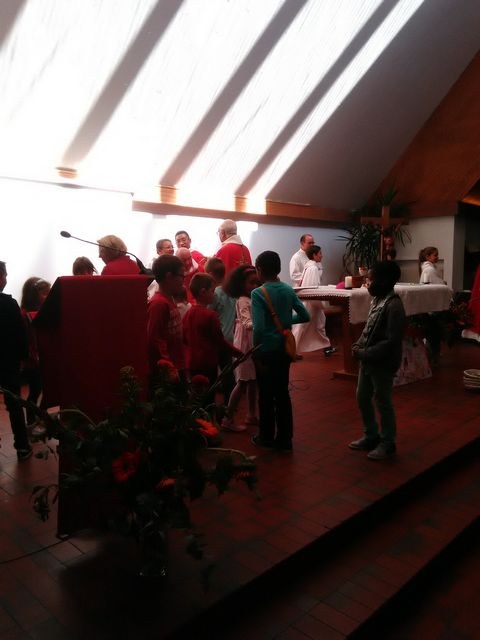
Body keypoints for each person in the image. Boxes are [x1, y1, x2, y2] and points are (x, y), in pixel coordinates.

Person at [251, 251, 310, 452]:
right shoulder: (287, 289)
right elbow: (304, 315)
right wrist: (285, 322)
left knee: (266, 395)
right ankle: (285, 440)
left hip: (266, 350)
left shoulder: (258, 293)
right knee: (282, 393)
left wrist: (255, 351)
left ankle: (266, 436)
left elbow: (258, 328)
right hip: (284, 349)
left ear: (259, 270)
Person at [349, 261, 406, 460]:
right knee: (362, 397)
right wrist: (358, 345)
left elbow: (392, 341)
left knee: (383, 401)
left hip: (382, 362)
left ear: (383, 281)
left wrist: (365, 353)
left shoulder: (394, 305)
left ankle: (388, 442)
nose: (367, 282)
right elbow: (369, 329)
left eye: (370, 279)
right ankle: (371, 435)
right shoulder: (377, 300)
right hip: (368, 359)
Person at [182, 273, 242, 386]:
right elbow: (220, 341)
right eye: (212, 291)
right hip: (207, 362)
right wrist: (237, 352)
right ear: (203, 292)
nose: (214, 294)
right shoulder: (210, 315)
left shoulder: (188, 313)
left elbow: (184, 338)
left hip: (191, 362)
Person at [0, 261, 32, 461]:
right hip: (7, 362)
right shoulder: (9, 304)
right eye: (5, 275)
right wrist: (23, 358)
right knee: (14, 404)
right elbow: (20, 335)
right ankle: (22, 446)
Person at [222, 265, 259, 432]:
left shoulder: (250, 298)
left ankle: (251, 414)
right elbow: (247, 322)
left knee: (252, 381)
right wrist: (262, 326)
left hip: (250, 340)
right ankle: (228, 418)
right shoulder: (243, 300)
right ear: (241, 284)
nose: (255, 286)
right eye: (251, 283)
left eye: (256, 282)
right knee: (243, 381)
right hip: (245, 342)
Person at [292, 245, 335, 356]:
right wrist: (319, 303)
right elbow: (312, 287)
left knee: (319, 325)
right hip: (312, 302)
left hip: (311, 301)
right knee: (302, 326)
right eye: (320, 253)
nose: (322, 255)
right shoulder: (313, 268)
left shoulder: (310, 266)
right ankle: (291, 349)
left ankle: (327, 347)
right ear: (314, 255)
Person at [147, 255, 186, 378]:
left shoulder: (169, 300)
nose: (183, 281)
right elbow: (155, 338)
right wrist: (169, 367)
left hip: (177, 365)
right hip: (169, 370)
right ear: (169, 277)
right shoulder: (159, 304)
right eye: (182, 276)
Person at [205, 257, 237, 407]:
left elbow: (208, 313)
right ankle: (228, 404)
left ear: (211, 274)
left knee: (216, 370)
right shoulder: (231, 291)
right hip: (230, 335)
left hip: (218, 336)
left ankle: (219, 407)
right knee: (227, 369)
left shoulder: (215, 293)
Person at [20, 277, 51, 426]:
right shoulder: (24, 315)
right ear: (33, 295)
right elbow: (27, 340)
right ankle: (32, 420)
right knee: (35, 390)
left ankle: (39, 417)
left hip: (41, 358)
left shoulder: (40, 312)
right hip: (33, 361)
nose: (48, 296)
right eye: (44, 293)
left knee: (44, 390)